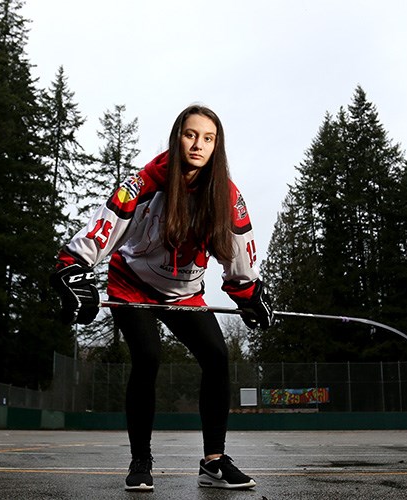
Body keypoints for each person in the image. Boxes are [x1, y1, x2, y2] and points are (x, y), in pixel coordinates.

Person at [50, 104, 273, 492]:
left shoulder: (227, 195)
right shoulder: (146, 181)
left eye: (208, 138)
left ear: (217, 146)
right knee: (148, 356)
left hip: (184, 293)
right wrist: (72, 266)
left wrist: (249, 293)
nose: (198, 145)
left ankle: (214, 463)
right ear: (177, 137)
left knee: (217, 356)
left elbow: (239, 253)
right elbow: (105, 226)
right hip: (132, 282)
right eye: (191, 135)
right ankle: (140, 461)